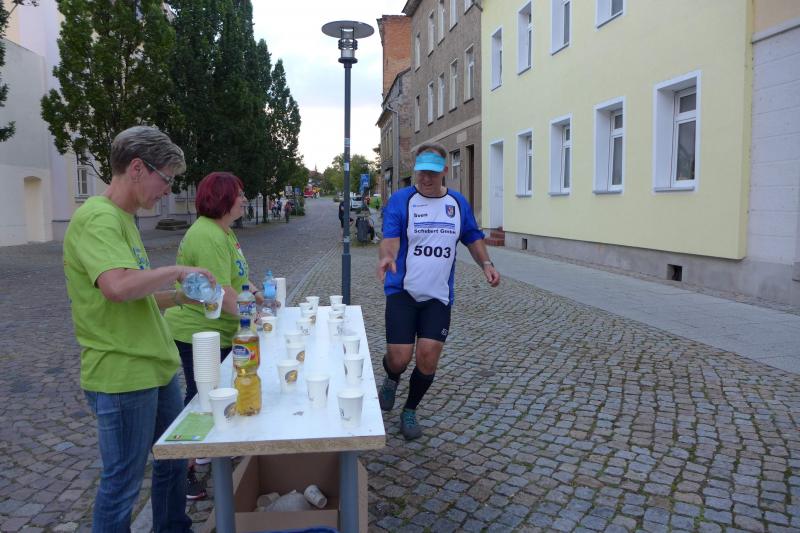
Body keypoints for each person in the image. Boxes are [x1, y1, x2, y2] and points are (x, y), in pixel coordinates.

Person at [63, 126, 212, 532]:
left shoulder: (124, 220)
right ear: (136, 168)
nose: (167, 190)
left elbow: (137, 295)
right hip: (122, 373)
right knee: (122, 485)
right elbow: (117, 287)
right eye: (166, 178)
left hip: (154, 367)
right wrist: (177, 270)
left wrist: (181, 297)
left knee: (173, 459)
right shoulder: (97, 218)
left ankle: (172, 527)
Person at [376, 142, 501, 440]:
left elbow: (472, 236)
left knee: (428, 357)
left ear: (445, 170)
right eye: (421, 172)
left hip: (438, 297)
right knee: (399, 358)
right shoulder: (402, 200)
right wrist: (387, 257)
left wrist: (486, 263)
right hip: (403, 293)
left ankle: (410, 410)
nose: (425, 178)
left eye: (432, 173)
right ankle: (391, 378)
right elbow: (390, 239)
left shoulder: (457, 203)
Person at [163, 172, 264, 499]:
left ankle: (209, 451)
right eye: (239, 194)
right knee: (201, 399)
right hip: (197, 331)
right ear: (222, 199)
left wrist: (257, 295)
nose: (244, 200)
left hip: (216, 330)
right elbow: (219, 292)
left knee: (215, 392)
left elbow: (236, 278)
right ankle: (185, 470)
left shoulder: (223, 231)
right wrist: (253, 318)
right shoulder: (207, 235)